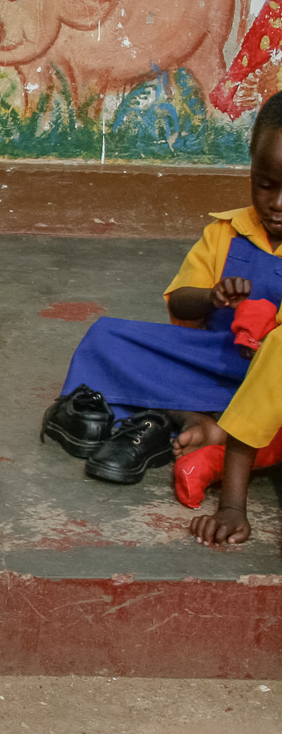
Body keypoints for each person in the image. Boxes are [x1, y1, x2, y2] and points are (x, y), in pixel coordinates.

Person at [46, 93, 282, 496]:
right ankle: (192, 417)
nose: (277, 204)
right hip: (215, 363)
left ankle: (172, 418)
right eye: (265, 185)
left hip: (273, 382)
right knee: (106, 338)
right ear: (250, 169)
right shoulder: (225, 232)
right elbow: (179, 303)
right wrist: (212, 297)